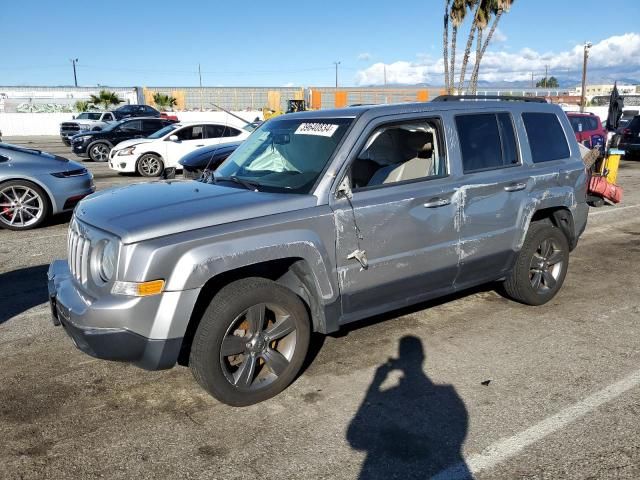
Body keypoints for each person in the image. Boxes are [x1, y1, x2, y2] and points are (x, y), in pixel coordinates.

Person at [347, 336, 471, 479]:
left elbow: (355, 439)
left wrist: (376, 383)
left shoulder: (390, 395)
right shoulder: (448, 395)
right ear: (422, 358)